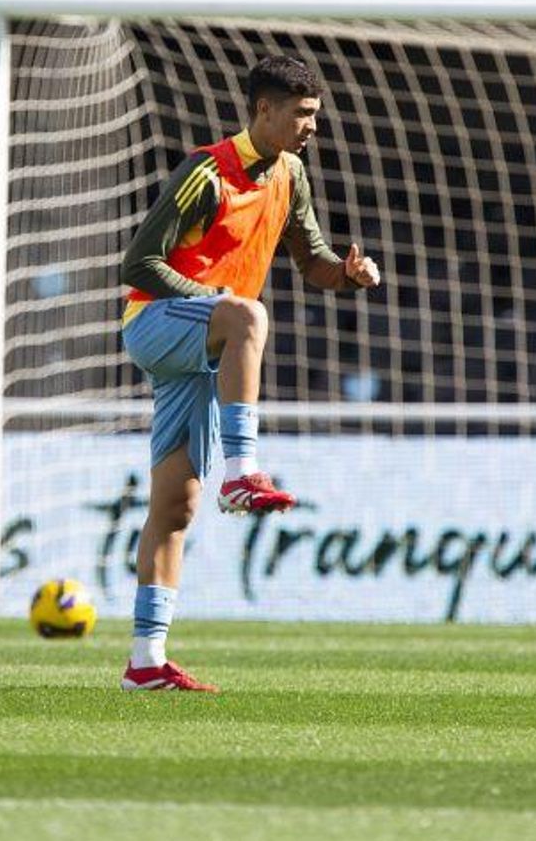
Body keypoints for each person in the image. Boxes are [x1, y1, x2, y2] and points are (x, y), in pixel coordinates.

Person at [118, 55, 381, 691]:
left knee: (175, 508)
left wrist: (345, 275)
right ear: (264, 110)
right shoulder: (206, 172)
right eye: (302, 115)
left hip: (206, 340)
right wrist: (210, 301)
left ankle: (144, 662)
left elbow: (311, 258)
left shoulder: (291, 174)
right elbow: (138, 262)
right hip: (156, 322)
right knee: (249, 317)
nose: (311, 127)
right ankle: (244, 472)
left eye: (315, 116)